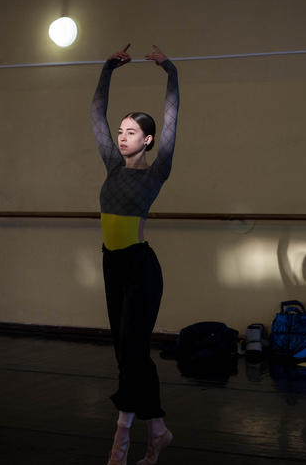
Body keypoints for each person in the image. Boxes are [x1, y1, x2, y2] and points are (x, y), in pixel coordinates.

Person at [90, 43, 179, 465]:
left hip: (141, 268)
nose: (122, 136)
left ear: (147, 140)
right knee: (130, 354)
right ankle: (157, 429)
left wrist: (171, 73)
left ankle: (121, 439)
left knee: (131, 351)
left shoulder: (157, 171)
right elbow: (95, 113)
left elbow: (172, 117)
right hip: (112, 264)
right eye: (120, 130)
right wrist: (108, 69)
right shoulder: (111, 164)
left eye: (131, 132)